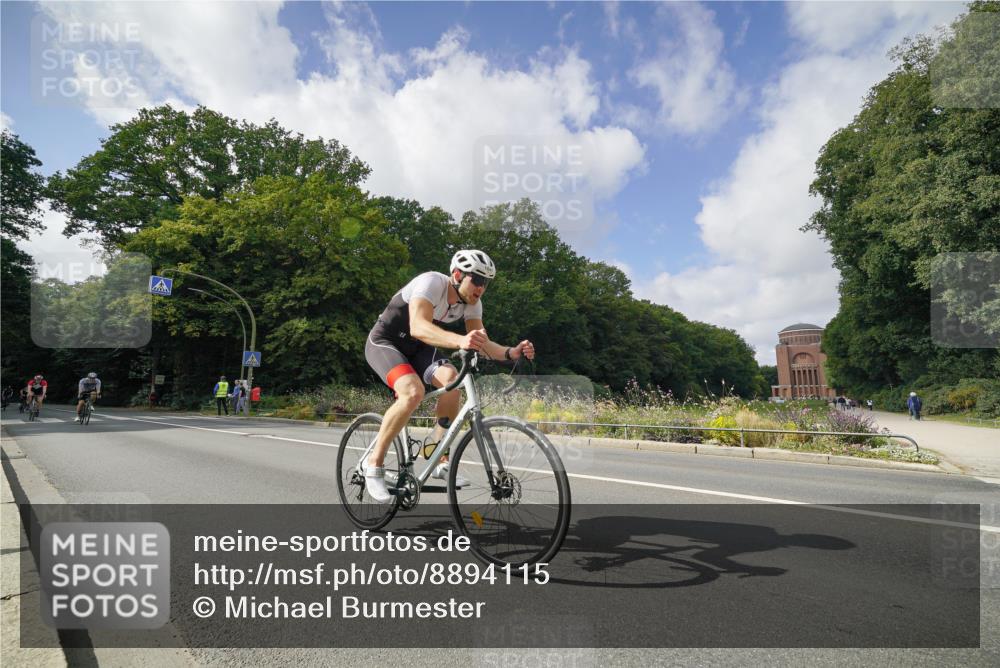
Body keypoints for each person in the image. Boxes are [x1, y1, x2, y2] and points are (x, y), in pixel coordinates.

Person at [362, 249, 535, 503]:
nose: (481, 288)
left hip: (418, 348)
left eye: (485, 283)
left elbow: (481, 343)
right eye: (476, 280)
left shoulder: (473, 303)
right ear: (457, 274)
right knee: (412, 392)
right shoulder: (432, 282)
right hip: (386, 342)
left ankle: (436, 454)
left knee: (452, 381)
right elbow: (418, 326)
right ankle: (373, 464)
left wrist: (511, 352)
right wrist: (461, 341)